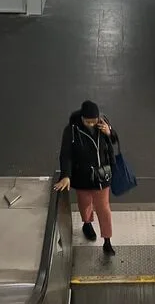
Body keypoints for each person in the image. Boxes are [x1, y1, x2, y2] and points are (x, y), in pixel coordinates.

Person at [54, 100, 118, 255]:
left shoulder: (102, 123)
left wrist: (109, 132)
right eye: (88, 121)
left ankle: (107, 240)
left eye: (93, 121)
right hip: (82, 176)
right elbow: (66, 155)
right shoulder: (72, 130)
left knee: (103, 209)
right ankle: (87, 223)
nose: (91, 124)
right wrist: (66, 175)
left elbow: (114, 141)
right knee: (85, 204)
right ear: (81, 118)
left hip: (101, 176)